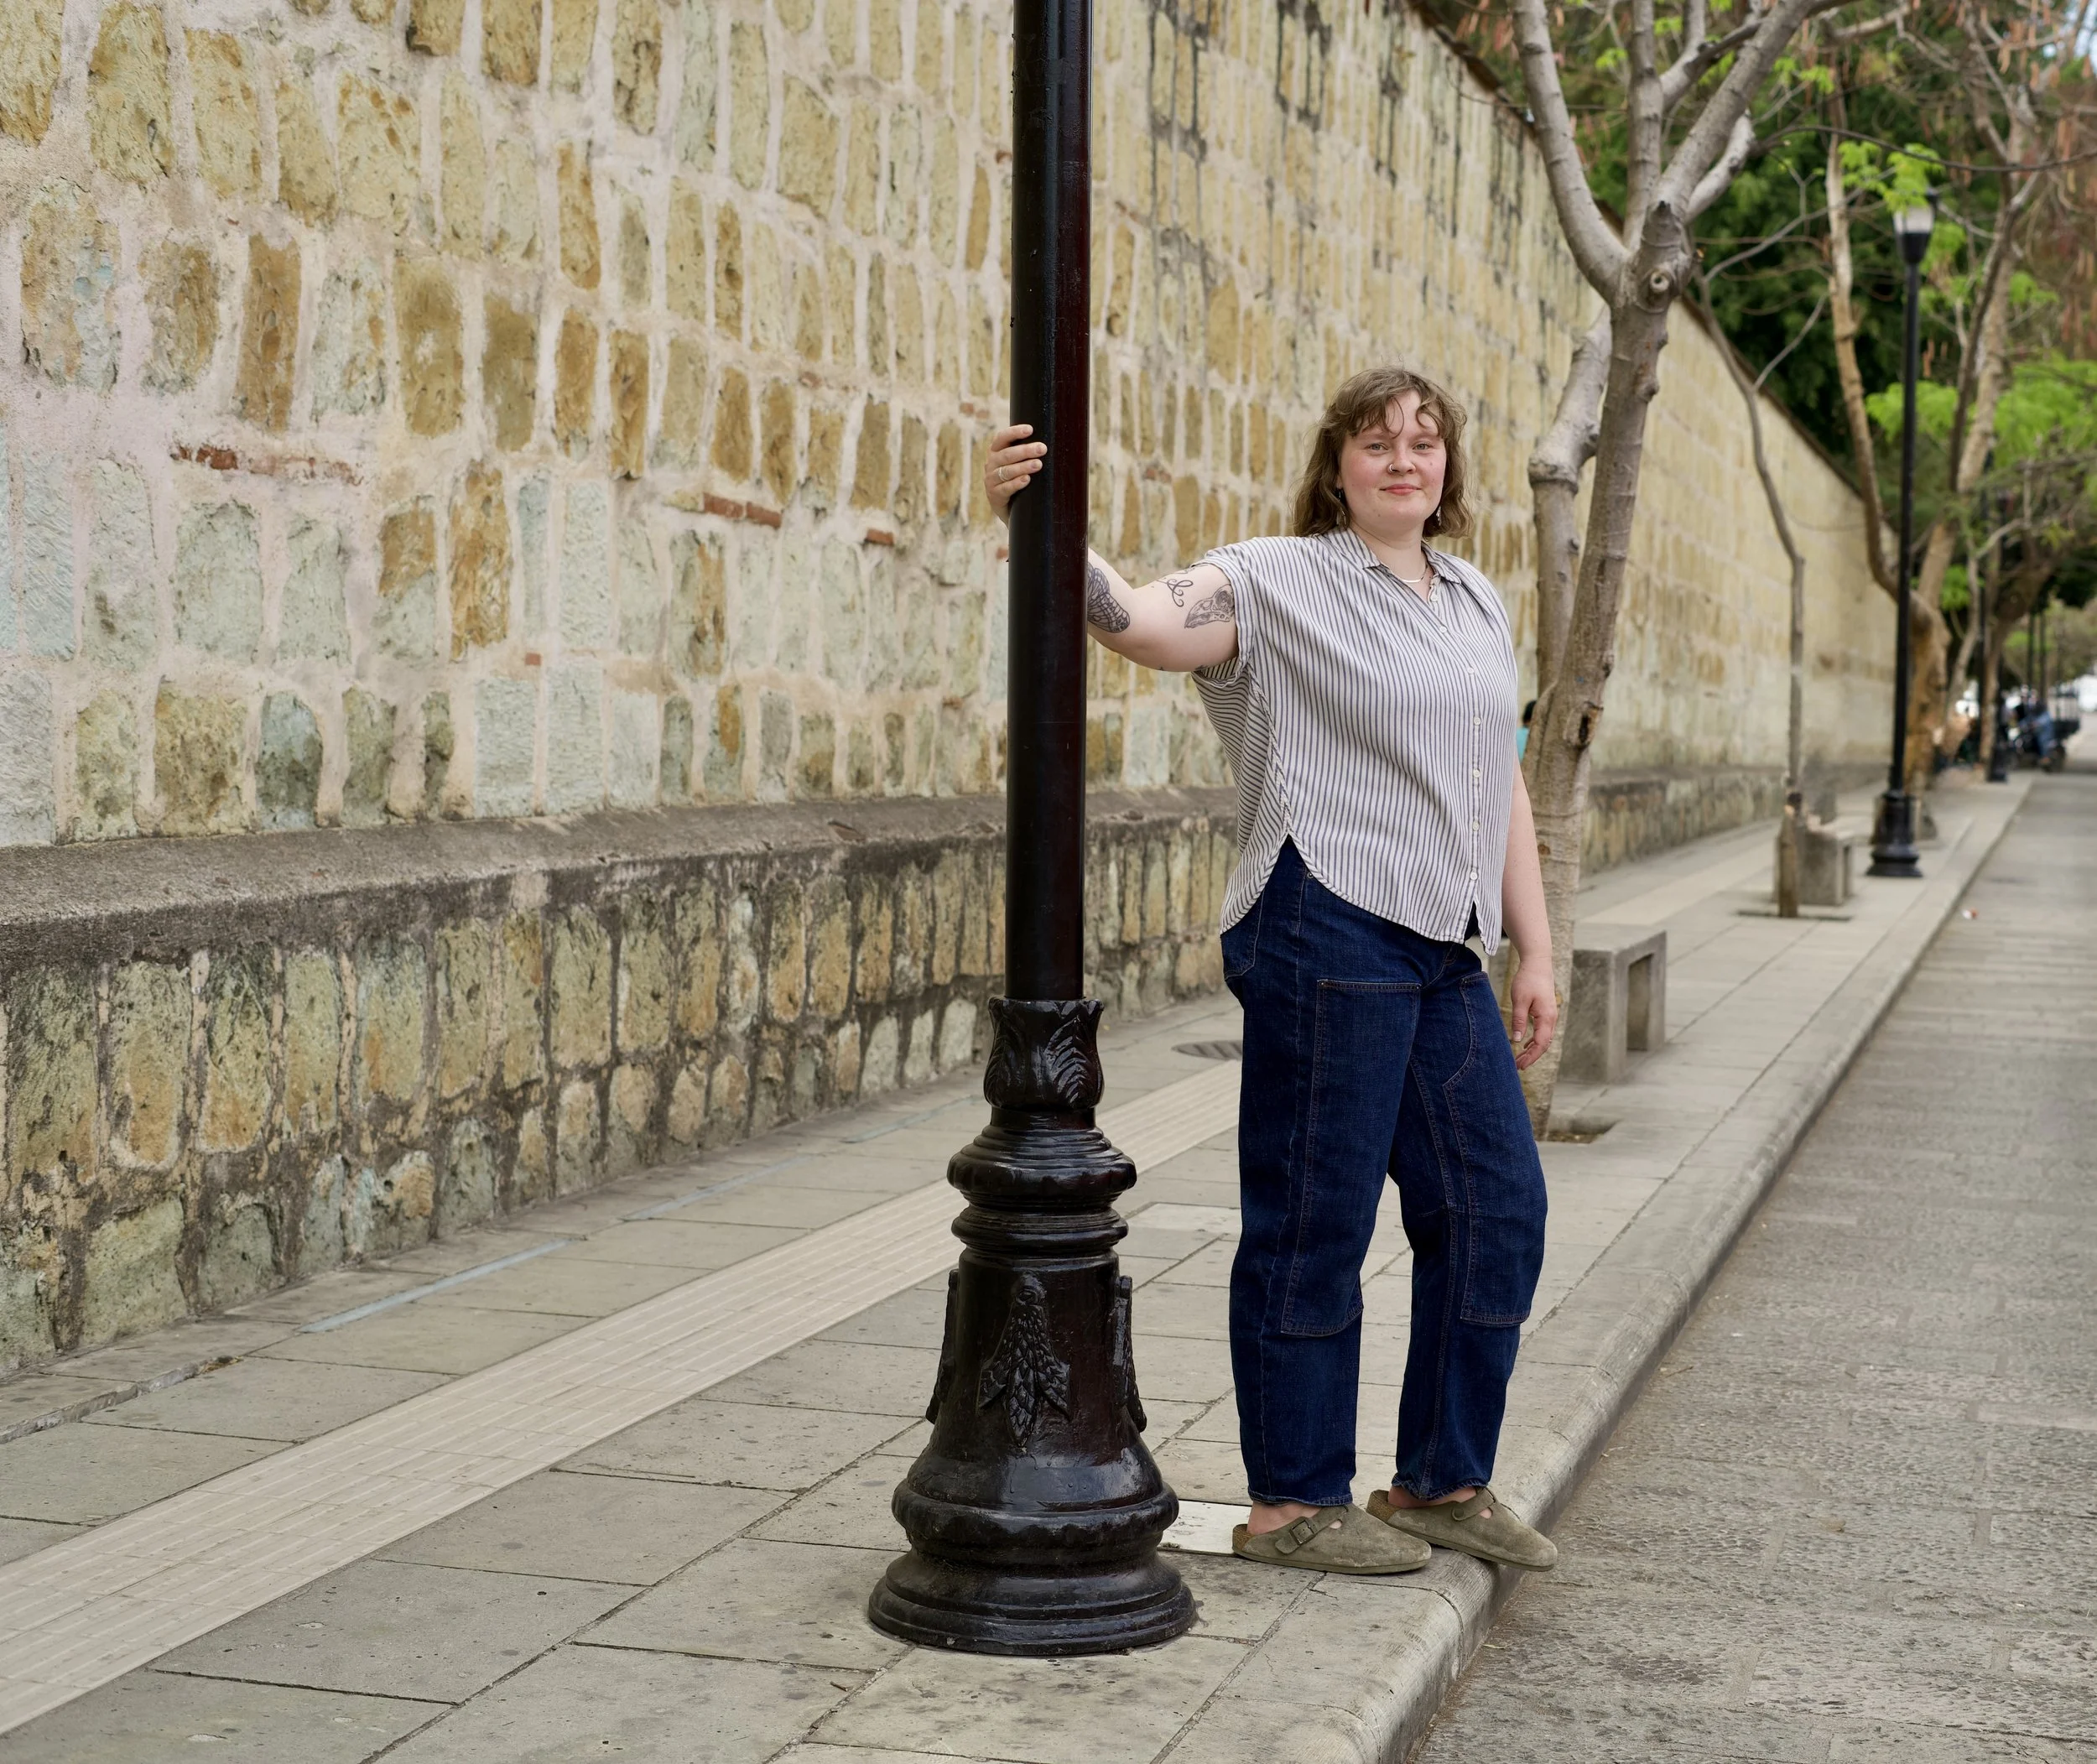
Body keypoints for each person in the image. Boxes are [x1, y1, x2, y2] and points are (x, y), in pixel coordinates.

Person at [984, 365, 1559, 1578]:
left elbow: (1497, 772)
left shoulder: (1476, 600)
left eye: (1425, 441)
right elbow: (1140, 620)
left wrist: (1536, 946)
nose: (1404, 459)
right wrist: (1040, 527)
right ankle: (1293, 1502)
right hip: (1328, 921)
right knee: (1316, 1219)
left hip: (1448, 942)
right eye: (1376, 442)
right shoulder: (1278, 578)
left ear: (1448, 466)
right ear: (1336, 465)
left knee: (1495, 1205)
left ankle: (1440, 1479)